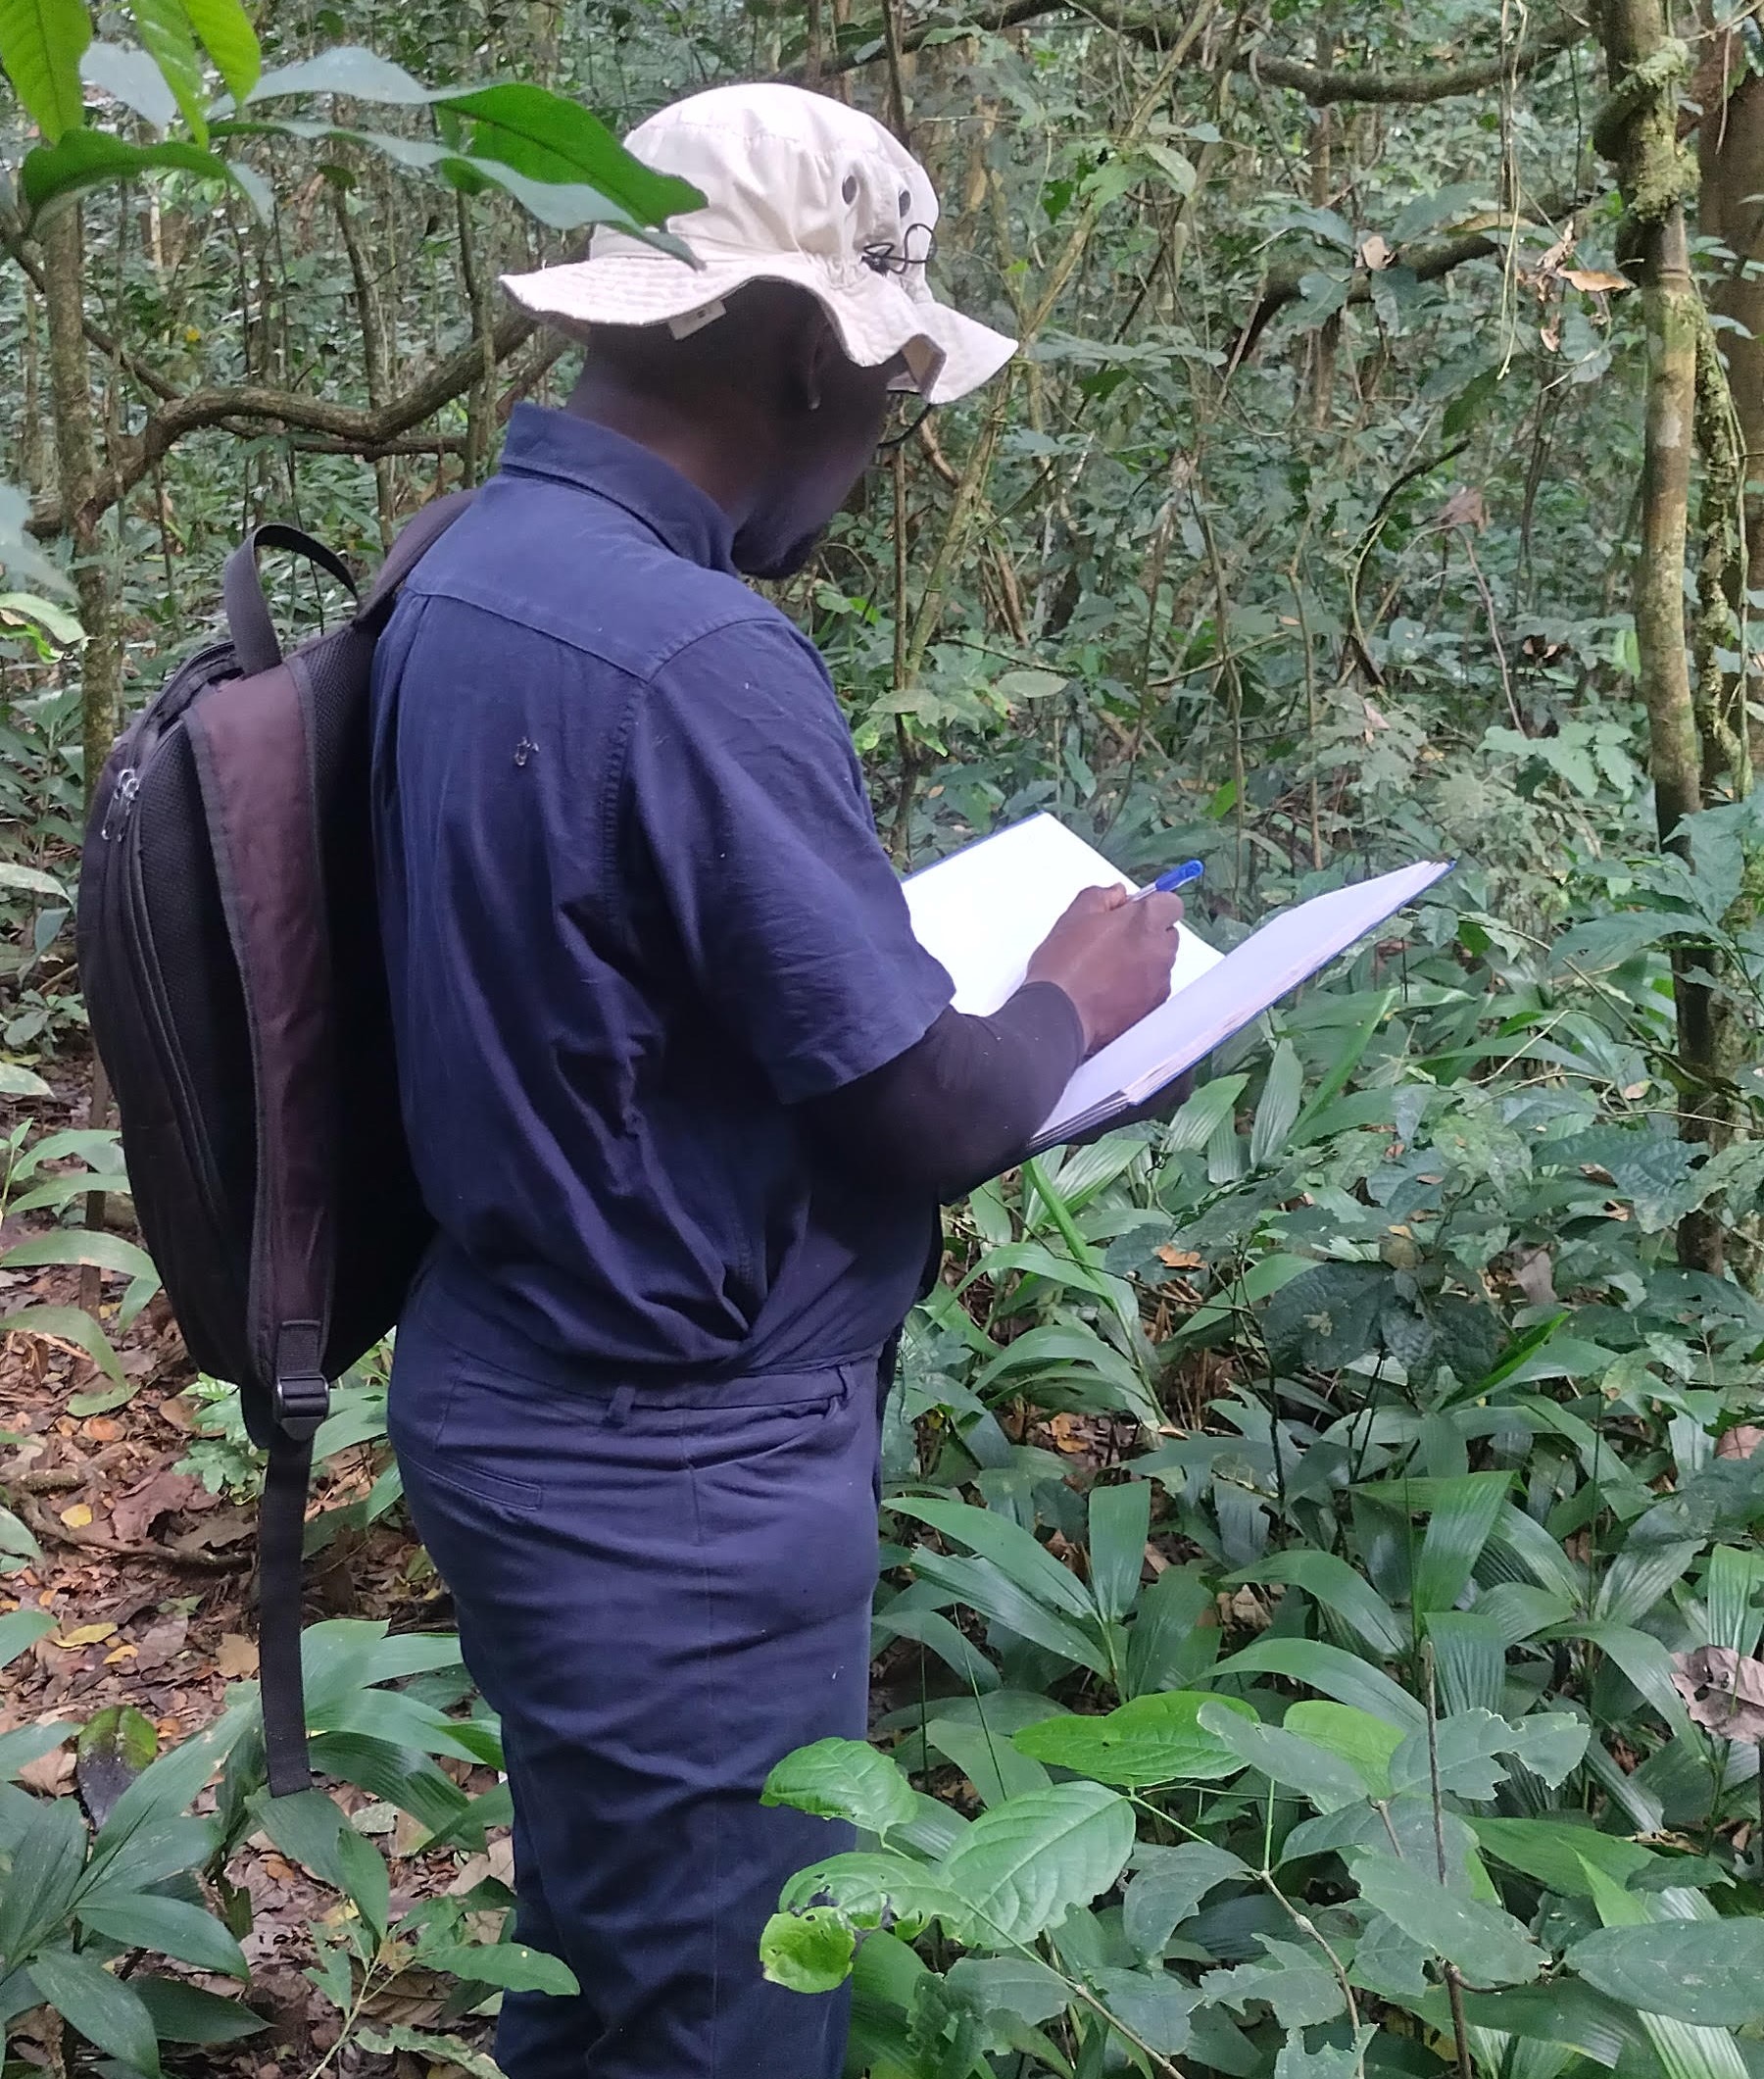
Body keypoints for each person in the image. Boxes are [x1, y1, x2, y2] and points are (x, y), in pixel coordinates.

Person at [369, 80, 1184, 2079]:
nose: (886, 441)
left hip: (516, 1383)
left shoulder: (460, 562)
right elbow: (926, 1111)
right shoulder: (691, 654)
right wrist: (1081, 994)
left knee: (599, 1963)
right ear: (798, 352)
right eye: (891, 385)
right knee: (728, 2017)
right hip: (669, 1479)